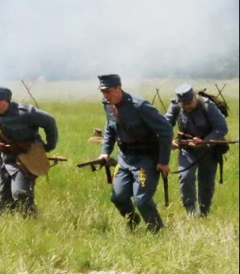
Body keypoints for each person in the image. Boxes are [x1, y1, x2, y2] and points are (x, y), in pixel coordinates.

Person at [96, 74, 172, 232]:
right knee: (118, 197)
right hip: (124, 158)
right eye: (103, 92)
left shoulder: (140, 106)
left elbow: (166, 130)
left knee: (142, 200)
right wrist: (105, 152)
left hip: (145, 158)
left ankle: (157, 231)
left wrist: (163, 161)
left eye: (108, 91)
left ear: (118, 88)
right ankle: (133, 221)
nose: (105, 95)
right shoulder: (108, 105)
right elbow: (110, 128)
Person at [0, 87, 58, 214]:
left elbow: (49, 121)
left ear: (4, 101)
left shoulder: (26, 112)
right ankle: (11, 223)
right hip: (4, 160)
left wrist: (49, 145)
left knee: (21, 193)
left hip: (25, 158)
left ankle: (31, 219)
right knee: (3, 198)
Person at [166, 84, 228, 217]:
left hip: (209, 150)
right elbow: (164, 126)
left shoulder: (207, 106)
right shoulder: (176, 106)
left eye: (189, 102)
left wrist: (205, 141)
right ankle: (190, 212)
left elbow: (222, 128)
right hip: (187, 149)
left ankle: (204, 213)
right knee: (185, 176)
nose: (187, 106)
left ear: (194, 97)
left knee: (206, 183)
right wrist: (170, 141)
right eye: (183, 104)